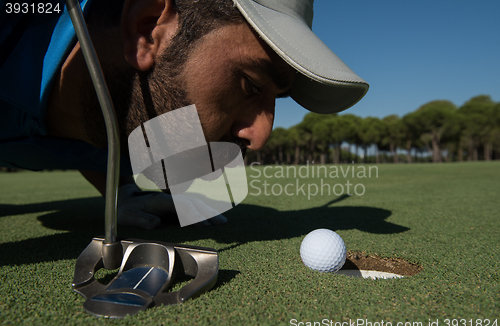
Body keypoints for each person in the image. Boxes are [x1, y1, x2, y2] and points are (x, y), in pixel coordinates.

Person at [0, 0, 368, 229]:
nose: (260, 136)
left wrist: (120, 190)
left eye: (277, 99)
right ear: (146, 28)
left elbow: (93, 122)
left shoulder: (137, 118)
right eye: (251, 86)